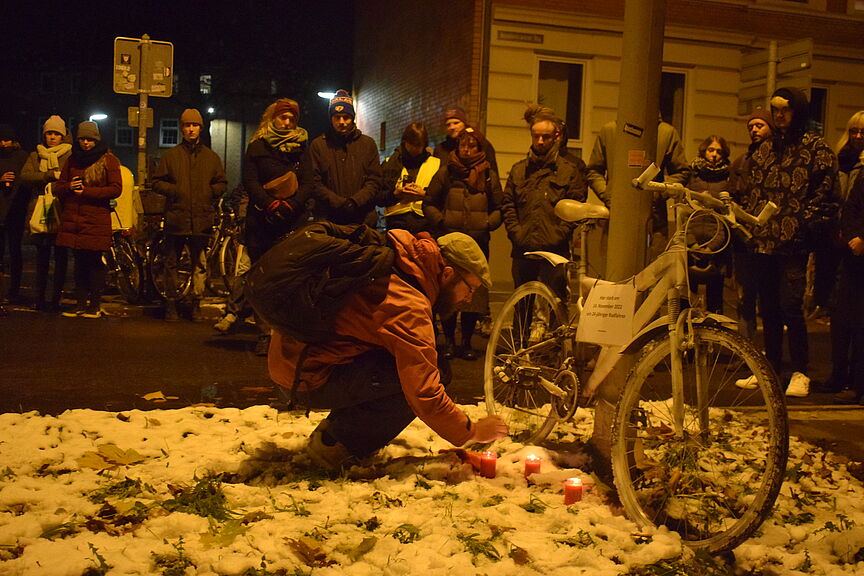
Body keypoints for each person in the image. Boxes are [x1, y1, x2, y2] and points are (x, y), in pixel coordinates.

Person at [267, 231, 509, 470]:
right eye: (470, 289)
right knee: (430, 374)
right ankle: (334, 447)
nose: (468, 299)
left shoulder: (398, 262)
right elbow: (425, 393)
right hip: (305, 378)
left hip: (292, 361)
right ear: (447, 274)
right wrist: (473, 431)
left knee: (405, 365)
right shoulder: (408, 305)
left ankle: (333, 433)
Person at [739, 87, 839, 397]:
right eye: (775, 109)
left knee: (790, 307)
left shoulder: (816, 149)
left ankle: (799, 370)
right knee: (766, 307)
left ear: (798, 111)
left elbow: (824, 195)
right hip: (763, 241)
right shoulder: (764, 149)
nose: (779, 114)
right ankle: (770, 367)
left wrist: (803, 226)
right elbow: (751, 191)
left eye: (785, 108)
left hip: (794, 242)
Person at [221, 98, 310, 354]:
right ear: (273, 118)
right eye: (283, 117)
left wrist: (292, 205)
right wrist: (269, 204)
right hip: (262, 222)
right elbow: (250, 181)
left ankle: (285, 335)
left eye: (291, 119)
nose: (287, 122)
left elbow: (307, 183)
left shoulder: (302, 147)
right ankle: (264, 334)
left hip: (292, 221)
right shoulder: (257, 146)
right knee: (261, 279)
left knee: (288, 281)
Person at [425, 126, 502, 360]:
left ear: (480, 148)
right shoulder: (446, 172)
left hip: (477, 243)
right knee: (448, 292)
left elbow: (500, 206)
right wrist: (442, 221)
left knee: (473, 296)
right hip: (450, 243)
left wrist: (488, 223)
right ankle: (448, 341)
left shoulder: (488, 174)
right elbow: (429, 202)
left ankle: (467, 342)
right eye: (463, 145)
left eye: (472, 146)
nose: (466, 150)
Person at [501, 104, 588, 301]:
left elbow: (576, 206)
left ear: (556, 136)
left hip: (555, 249)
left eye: (546, 137)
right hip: (523, 248)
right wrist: (517, 233)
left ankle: (554, 331)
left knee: (555, 304)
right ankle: (523, 332)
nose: (540, 142)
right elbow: (508, 205)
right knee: (522, 306)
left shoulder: (569, 170)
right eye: (536, 136)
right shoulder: (519, 170)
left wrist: (559, 234)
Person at [152, 108, 227, 322]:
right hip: (177, 217)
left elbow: (222, 182)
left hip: (201, 218)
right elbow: (156, 181)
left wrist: (210, 192)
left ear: (200, 128)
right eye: (187, 125)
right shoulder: (171, 155)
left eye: (194, 125)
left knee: (200, 264)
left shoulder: (211, 158)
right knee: (171, 263)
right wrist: (175, 191)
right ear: (182, 128)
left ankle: (195, 303)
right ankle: (171, 303)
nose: (191, 129)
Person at [54, 122, 122, 318]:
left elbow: (116, 189)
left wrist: (87, 191)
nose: (85, 143)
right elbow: (59, 187)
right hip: (74, 218)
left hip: (96, 219)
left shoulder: (108, 160)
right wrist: (69, 186)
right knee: (79, 262)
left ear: (96, 140)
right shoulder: (72, 160)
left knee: (93, 261)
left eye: (90, 139)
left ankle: (94, 304)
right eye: (82, 139)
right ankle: (80, 304)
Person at [729, 108, 774, 340]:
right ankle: (746, 350)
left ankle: (768, 354)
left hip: (771, 242)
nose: (754, 130)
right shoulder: (741, 162)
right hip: (745, 241)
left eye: (760, 125)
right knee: (745, 298)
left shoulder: (779, 160)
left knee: (769, 299)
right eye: (751, 126)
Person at [20, 116, 72, 313]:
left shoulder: (69, 155)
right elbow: (25, 176)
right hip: (40, 211)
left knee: (60, 256)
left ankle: (56, 297)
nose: (52, 137)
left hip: (60, 209)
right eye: (49, 133)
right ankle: (39, 297)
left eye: (57, 134)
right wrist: (46, 176)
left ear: (63, 136)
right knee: (42, 257)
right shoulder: (35, 155)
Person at [308, 90, 382, 226]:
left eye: (346, 117)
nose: (342, 122)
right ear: (331, 118)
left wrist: (355, 201)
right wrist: (338, 202)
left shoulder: (367, 144)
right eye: (337, 117)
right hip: (329, 220)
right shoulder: (318, 145)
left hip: (363, 219)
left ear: (352, 117)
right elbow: (314, 181)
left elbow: (374, 180)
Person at [830, 111, 864, 403]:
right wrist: (849, 233)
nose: (858, 137)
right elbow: (850, 205)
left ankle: (858, 381)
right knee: (843, 316)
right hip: (847, 248)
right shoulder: (844, 161)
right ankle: (841, 374)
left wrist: (861, 237)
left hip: (858, 247)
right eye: (854, 131)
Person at [686, 135, 732, 315]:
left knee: (715, 300)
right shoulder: (693, 175)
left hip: (717, 248)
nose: (714, 154)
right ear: (704, 150)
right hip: (691, 246)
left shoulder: (728, 178)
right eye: (711, 150)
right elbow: (685, 209)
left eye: (719, 151)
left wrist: (713, 246)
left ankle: (714, 336)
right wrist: (691, 243)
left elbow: (726, 216)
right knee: (688, 297)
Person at [380, 122, 440, 234]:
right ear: (404, 142)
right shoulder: (389, 164)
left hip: (426, 224)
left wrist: (423, 195)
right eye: (411, 144)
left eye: (418, 145)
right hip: (396, 224)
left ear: (425, 144)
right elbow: (378, 198)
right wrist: (395, 195)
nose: (414, 148)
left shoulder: (436, 164)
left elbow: (442, 198)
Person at [0, 124, 31, 313]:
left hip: (16, 211)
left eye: (6, 139)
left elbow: (27, 181)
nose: (3, 143)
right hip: (2, 210)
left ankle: (14, 290)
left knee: (15, 252)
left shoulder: (22, 157)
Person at [433, 106, 498, 175]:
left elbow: (493, 173)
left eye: (456, 123)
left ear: (464, 124)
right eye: (448, 125)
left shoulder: (482, 144)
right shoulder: (440, 149)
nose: (452, 127)